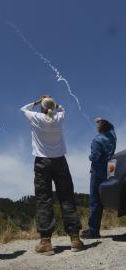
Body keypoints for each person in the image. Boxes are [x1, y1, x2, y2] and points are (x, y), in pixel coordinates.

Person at [21, 96, 84, 255]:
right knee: (67, 197)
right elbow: (62, 109)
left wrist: (36, 101)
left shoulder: (36, 117)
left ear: (41, 107)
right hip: (60, 161)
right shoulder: (58, 118)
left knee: (44, 199)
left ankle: (46, 242)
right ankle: (75, 239)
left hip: (42, 162)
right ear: (52, 107)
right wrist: (53, 103)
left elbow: (23, 109)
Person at [81, 118, 117, 239]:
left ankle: (93, 231)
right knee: (104, 197)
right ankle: (94, 228)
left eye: (98, 125)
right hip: (111, 168)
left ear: (101, 128)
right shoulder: (113, 136)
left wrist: (89, 156)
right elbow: (112, 127)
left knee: (95, 200)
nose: (96, 126)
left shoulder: (97, 140)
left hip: (98, 171)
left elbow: (95, 157)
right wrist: (103, 120)